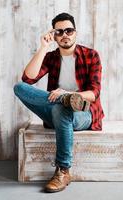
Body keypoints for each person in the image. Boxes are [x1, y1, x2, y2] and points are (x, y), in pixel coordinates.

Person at [14, 12, 104, 193]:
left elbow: (94, 93)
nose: (64, 35)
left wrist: (68, 93)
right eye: (59, 32)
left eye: (69, 31)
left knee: (63, 110)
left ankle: (63, 170)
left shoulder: (91, 55)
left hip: (84, 113)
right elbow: (28, 78)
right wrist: (43, 47)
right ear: (54, 36)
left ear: (75, 32)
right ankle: (64, 100)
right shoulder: (52, 57)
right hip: (56, 109)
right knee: (19, 87)